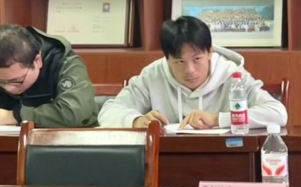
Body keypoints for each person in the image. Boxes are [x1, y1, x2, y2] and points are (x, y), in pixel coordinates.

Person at [98, 16, 287, 129]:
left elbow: (278, 113)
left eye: (197, 59)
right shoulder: (153, 75)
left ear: (210, 52)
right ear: (167, 59)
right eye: (179, 61)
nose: (190, 70)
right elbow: (108, 111)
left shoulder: (233, 75)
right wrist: (137, 121)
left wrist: (217, 119)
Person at [0, 24, 97, 131]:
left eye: (17, 81)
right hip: (0, 148)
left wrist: (13, 116)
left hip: (66, 147)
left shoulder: (64, 63)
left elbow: (73, 113)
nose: (9, 88)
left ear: (37, 61)